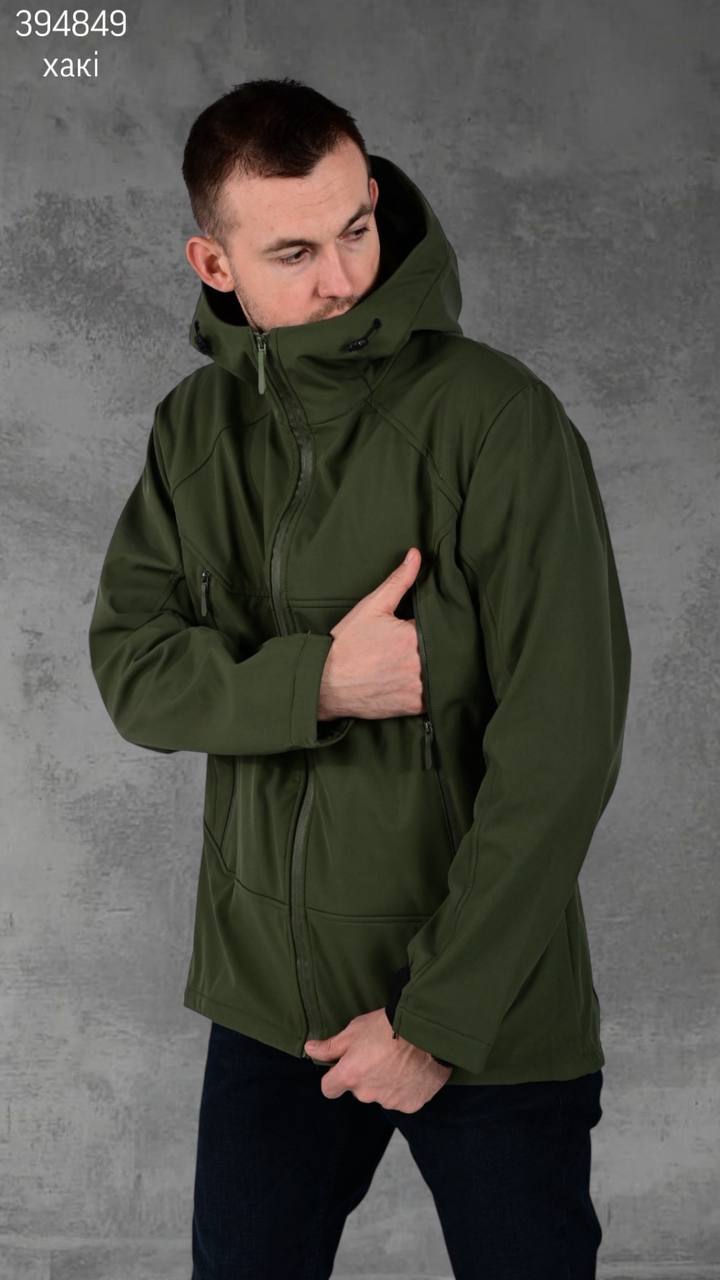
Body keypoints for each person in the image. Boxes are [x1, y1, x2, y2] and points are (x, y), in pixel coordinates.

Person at [87, 76, 631, 1278]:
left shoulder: (500, 420)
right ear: (214, 262)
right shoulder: (193, 432)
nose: (343, 276)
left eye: (356, 226)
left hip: (485, 1009)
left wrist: (435, 1019)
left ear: (375, 196)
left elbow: (564, 746)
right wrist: (319, 683)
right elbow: (134, 670)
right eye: (294, 251)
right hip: (272, 1007)